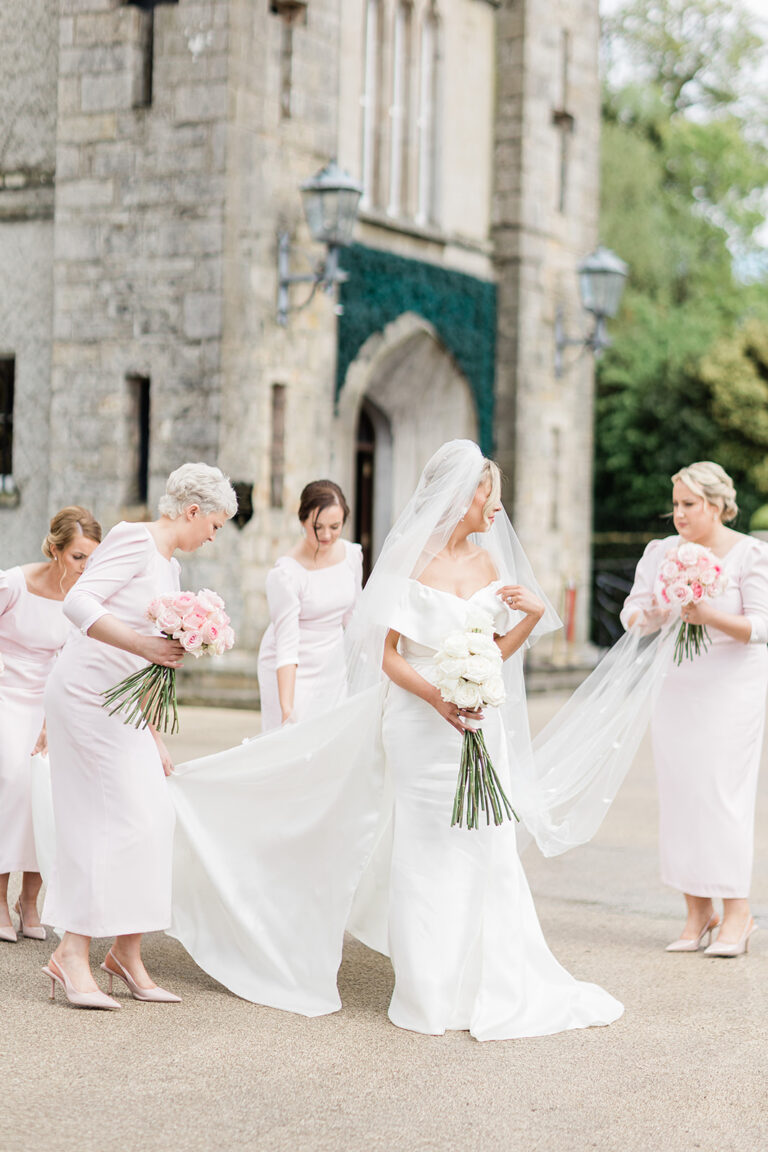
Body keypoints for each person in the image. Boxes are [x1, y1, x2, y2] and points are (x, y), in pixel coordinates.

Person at [168, 441, 623, 1040]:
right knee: (427, 850)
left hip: (477, 727)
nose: (499, 509)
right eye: (492, 494)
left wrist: (530, 621)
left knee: (486, 847)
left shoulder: (490, 567)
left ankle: (491, 979)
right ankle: (430, 989)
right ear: (465, 496)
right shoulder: (410, 562)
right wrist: (437, 696)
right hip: (418, 723)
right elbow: (386, 657)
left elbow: (491, 653)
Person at [41, 463, 236, 1009]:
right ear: (193, 511)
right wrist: (144, 647)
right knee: (104, 822)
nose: (213, 536)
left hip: (124, 710)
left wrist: (154, 733)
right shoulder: (133, 539)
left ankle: (125, 953)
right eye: (215, 525)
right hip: (84, 698)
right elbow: (78, 604)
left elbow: (147, 659)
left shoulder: (169, 569)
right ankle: (70, 953)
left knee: (154, 818)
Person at [621, 462, 768, 957]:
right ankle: (696, 910)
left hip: (732, 688)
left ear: (717, 504)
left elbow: (761, 627)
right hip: (677, 686)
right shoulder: (661, 552)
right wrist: (652, 614)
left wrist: (708, 615)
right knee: (682, 793)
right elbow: (633, 611)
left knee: (721, 795)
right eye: (676, 504)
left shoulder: (751, 553)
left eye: (689, 504)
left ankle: (738, 912)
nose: (678, 514)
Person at [0, 507, 101, 944]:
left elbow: (76, 660)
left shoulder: (82, 599)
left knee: (49, 791)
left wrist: (51, 717)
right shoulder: (14, 583)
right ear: (56, 550)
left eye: (91, 559)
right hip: (4, 695)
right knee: (12, 783)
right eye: (78, 557)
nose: (85, 567)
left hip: (49, 702)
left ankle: (30, 903)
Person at [257, 480, 362, 731]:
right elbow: (287, 644)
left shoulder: (352, 555)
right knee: (293, 739)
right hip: (292, 668)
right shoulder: (286, 574)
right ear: (303, 521)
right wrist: (286, 708)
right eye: (318, 527)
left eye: (335, 527)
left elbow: (353, 617)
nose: (326, 536)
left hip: (332, 663)